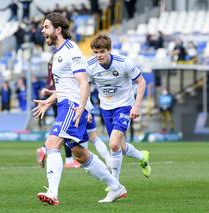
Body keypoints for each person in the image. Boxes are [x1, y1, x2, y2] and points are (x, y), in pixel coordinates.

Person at [33, 12, 126, 205]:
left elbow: (83, 83)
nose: (42, 31)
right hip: (68, 104)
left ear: (58, 29)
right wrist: (49, 101)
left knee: (51, 144)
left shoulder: (71, 50)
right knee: (80, 154)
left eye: (46, 27)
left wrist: (81, 108)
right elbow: (66, 86)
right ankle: (116, 187)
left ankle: (52, 193)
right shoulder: (59, 52)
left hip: (72, 107)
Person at [86, 34, 151, 184]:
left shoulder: (124, 63)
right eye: (96, 52)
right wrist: (86, 109)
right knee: (120, 147)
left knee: (113, 144)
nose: (99, 55)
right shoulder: (89, 66)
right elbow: (85, 88)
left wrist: (136, 106)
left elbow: (141, 82)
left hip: (124, 106)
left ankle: (115, 184)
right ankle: (142, 157)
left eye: (102, 52)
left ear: (109, 50)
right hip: (105, 108)